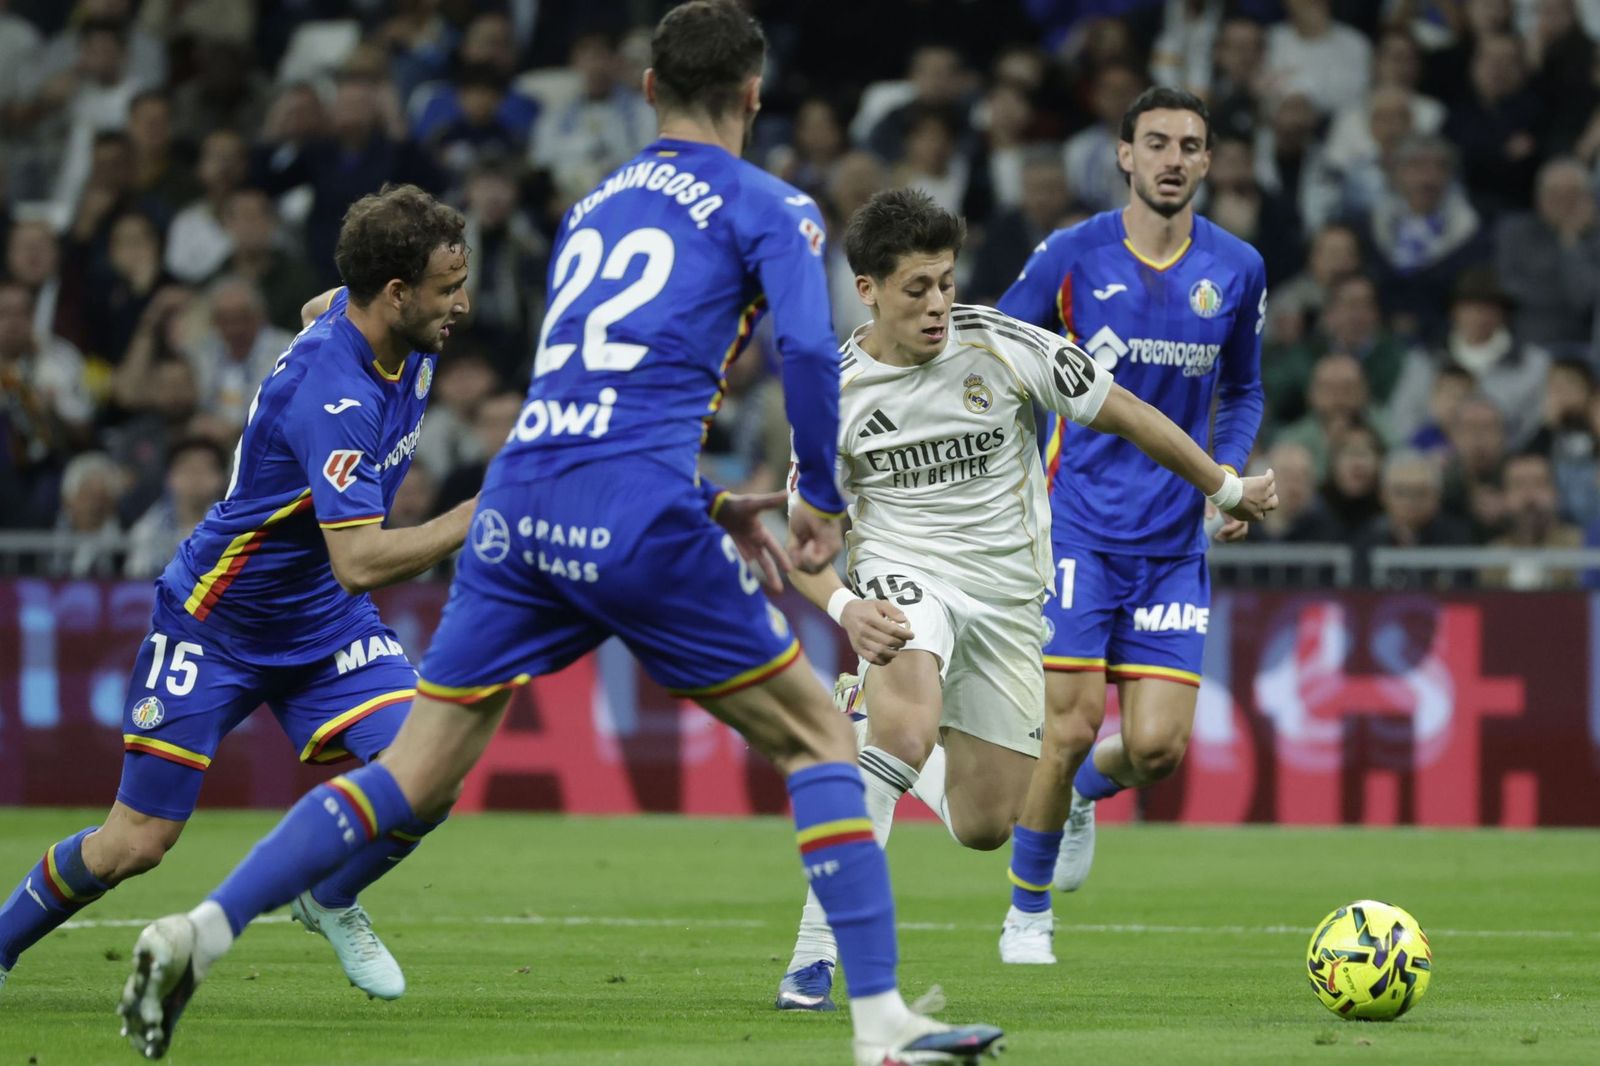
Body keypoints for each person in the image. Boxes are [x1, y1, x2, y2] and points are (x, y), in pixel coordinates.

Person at [117, 7, 1002, 1066]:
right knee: (820, 738)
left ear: (647, 89)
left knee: (414, 771)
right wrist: (816, 492)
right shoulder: (773, 205)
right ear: (754, 95)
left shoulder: (593, 205)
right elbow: (809, 354)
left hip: (520, 500)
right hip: (631, 512)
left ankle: (202, 929)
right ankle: (882, 1025)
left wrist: (705, 498)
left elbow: (588, 391)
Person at [773, 186, 1276, 1004]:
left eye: (945, 282)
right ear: (866, 289)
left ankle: (871, 731)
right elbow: (803, 543)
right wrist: (844, 608)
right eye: (916, 288)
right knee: (905, 727)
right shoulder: (832, 395)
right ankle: (815, 956)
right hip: (904, 573)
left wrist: (1222, 487)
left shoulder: (1003, 344)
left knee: (986, 824)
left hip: (1009, 599)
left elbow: (1129, 413)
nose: (938, 304)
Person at [0, 184, 475, 1005]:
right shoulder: (336, 397)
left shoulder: (388, 325)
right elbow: (361, 561)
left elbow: (321, 303)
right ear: (397, 293)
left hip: (323, 622)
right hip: (217, 622)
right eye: (449, 288)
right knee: (135, 842)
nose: (462, 305)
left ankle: (329, 897)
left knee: (430, 774)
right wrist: (477, 514)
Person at [993, 87, 1267, 959]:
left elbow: (1244, 387)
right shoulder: (1071, 255)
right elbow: (994, 352)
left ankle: (1081, 794)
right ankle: (1027, 915)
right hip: (1075, 528)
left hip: (1174, 544)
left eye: (1189, 145)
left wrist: (1225, 481)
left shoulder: (1237, 267)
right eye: (1156, 142)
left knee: (1155, 750)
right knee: (1068, 724)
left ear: (1208, 161)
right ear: (1124, 155)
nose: (1172, 159)